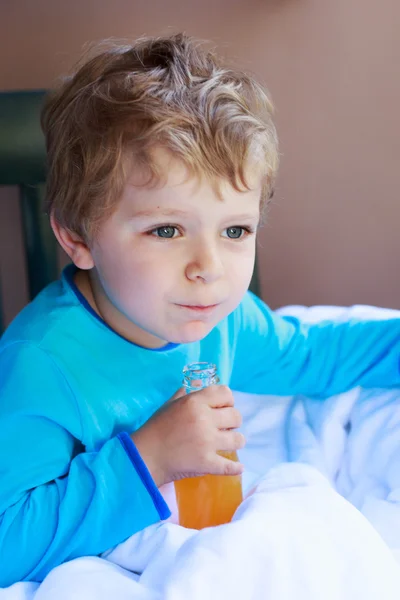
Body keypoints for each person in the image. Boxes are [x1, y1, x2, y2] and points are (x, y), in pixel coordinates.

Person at [0, 33, 399, 588]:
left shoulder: (222, 318)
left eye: (235, 230)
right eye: (166, 230)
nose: (208, 266)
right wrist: (150, 455)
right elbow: (7, 541)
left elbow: (312, 355)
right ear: (76, 238)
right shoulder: (41, 368)